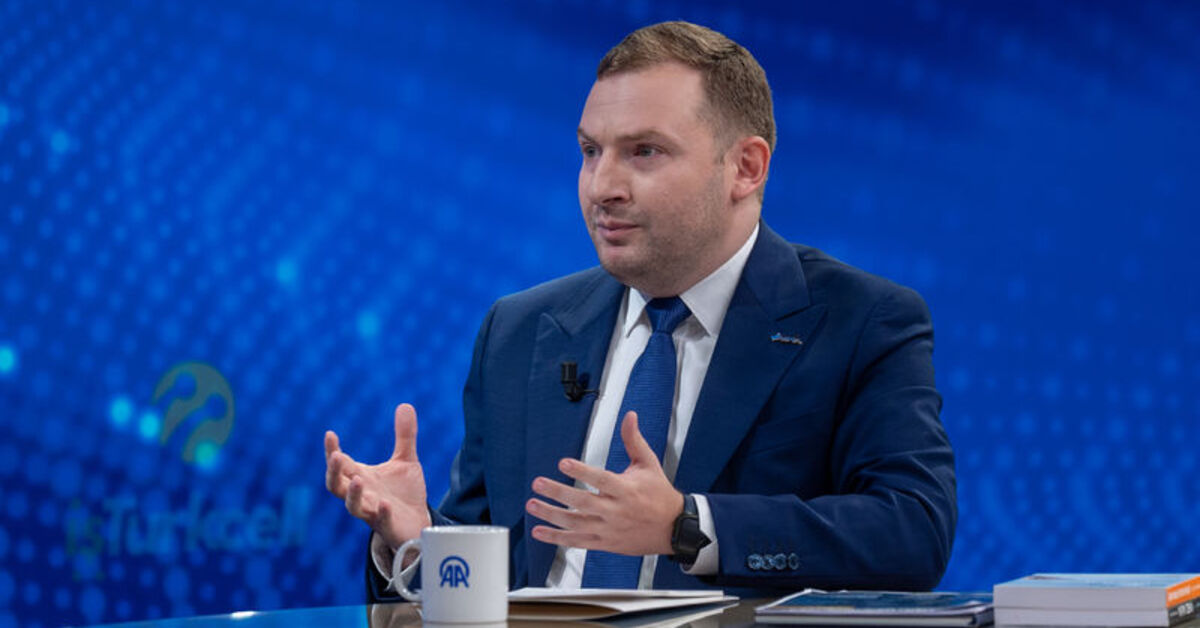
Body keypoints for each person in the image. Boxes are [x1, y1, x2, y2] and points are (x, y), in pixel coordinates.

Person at [325, 20, 956, 599]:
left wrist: (688, 525)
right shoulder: (518, 330)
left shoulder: (862, 321)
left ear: (746, 167)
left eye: (644, 152)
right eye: (590, 151)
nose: (603, 187)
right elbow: (483, 586)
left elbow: (912, 532)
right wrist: (418, 540)